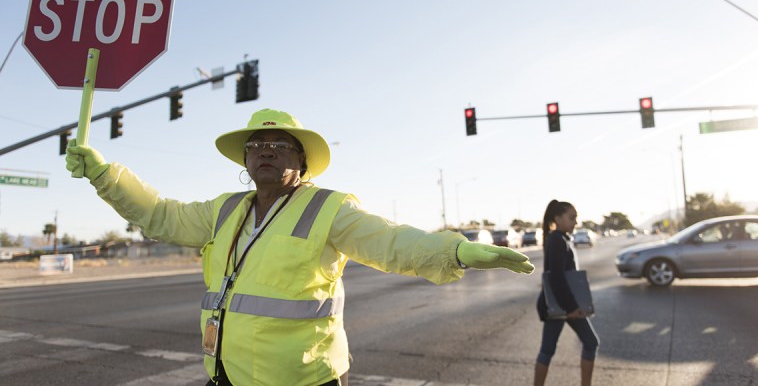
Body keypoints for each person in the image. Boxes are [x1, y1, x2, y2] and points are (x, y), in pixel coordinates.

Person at [65, 108, 535, 386]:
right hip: (227, 374)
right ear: (246, 159)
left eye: (280, 145)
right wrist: (105, 176)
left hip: (301, 381)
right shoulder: (224, 209)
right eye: (257, 145)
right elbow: (160, 215)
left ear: (302, 161)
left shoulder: (330, 208)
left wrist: (454, 251)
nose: (266, 151)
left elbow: (391, 241)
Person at [534, 200, 599, 386]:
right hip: (560, 304)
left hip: (560, 303)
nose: (575, 222)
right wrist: (571, 308)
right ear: (557, 218)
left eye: (575, 218)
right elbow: (555, 277)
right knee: (585, 343)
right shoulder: (556, 240)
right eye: (571, 218)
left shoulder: (560, 239)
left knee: (550, 349)